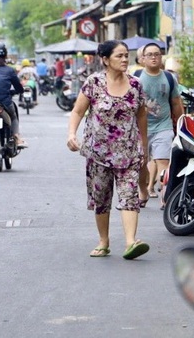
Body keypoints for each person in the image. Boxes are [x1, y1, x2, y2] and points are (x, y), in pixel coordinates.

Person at [67, 40, 150, 260]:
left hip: (129, 151)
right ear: (105, 60)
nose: (124, 60)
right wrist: (71, 134)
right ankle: (104, 241)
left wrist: (144, 145)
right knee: (102, 198)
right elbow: (77, 111)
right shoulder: (93, 83)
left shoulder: (135, 85)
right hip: (99, 153)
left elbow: (141, 116)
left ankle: (131, 242)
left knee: (129, 195)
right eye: (119, 56)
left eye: (126, 56)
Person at [133, 43, 183, 202]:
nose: (154, 57)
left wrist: (181, 124)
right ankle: (143, 190)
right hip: (141, 128)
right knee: (141, 164)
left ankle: (165, 197)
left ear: (161, 57)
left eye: (157, 54)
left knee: (164, 162)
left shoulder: (169, 78)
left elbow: (176, 102)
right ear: (143, 59)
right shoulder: (136, 77)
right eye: (150, 55)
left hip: (163, 126)